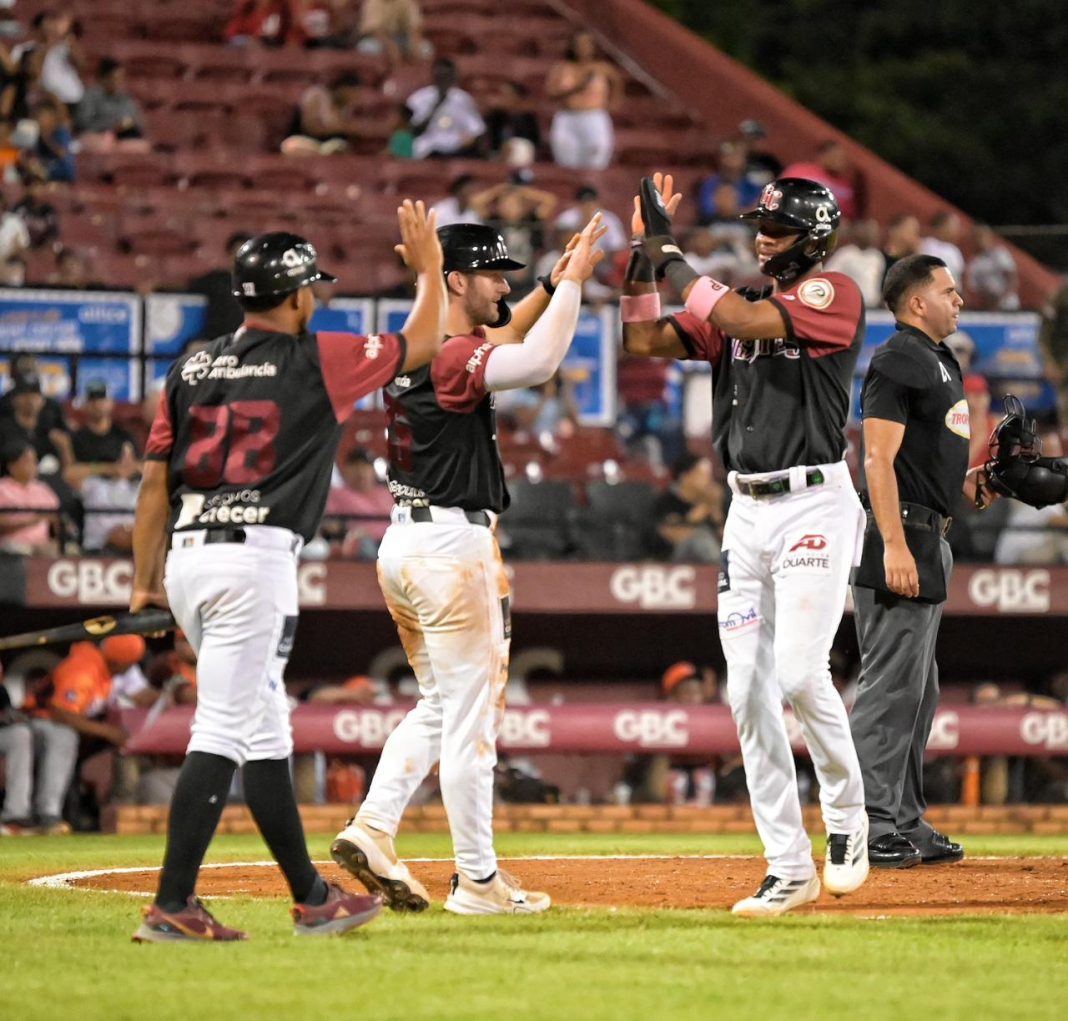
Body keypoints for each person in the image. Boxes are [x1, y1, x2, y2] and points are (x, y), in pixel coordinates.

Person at [127, 204, 447, 942]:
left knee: (266, 729)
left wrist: (144, 585)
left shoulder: (192, 364)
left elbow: (153, 485)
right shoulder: (316, 357)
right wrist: (428, 267)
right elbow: (423, 340)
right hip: (253, 561)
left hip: (187, 554)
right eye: (314, 292)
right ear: (299, 296)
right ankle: (173, 903)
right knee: (224, 728)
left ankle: (311, 894)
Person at [331, 215, 605, 916]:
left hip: (404, 542)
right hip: (451, 548)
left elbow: (503, 340)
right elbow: (536, 361)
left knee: (440, 705)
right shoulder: (453, 354)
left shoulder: (423, 347)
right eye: (490, 273)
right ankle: (479, 880)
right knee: (470, 722)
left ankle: (374, 826)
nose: (501, 284)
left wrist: (549, 283)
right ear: (455, 278)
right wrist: (573, 284)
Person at [624, 173, 871, 916]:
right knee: (744, 692)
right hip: (747, 511)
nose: (764, 236)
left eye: (779, 227)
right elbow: (644, 337)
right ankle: (786, 865)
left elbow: (738, 316)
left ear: (815, 238)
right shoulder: (743, 305)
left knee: (799, 671)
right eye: (760, 224)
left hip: (814, 504)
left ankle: (848, 814)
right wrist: (643, 254)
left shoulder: (834, 294)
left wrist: (670, 252)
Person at [849, 254, 994, 869]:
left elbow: (923, 460)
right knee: (890, 686)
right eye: (949, 291)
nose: (959, 300)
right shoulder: (899, 358)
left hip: (928, 528)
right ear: (916, 303)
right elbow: (877, 460)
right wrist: (894, 544)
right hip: (900, 530)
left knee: (919, 688)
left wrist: (972, 480)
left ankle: (904, 818)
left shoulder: (937, 360)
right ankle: (868, 823)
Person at [23, 635, 148, 835]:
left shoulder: (104, 670)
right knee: (65, 737)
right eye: (130, 663)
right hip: (36, 722)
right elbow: (61, 713)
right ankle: (47, 814)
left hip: (58, 726)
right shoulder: (85, 668)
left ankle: (79, 814)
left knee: (80, 740)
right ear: (120, 661)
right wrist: (107, 731)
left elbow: (141, 695)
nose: (130, 668)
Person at [546, 30, 620, 170]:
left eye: (587, 44)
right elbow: (551, 93)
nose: (583, 48)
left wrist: (612, 104)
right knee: (566, 159)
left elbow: (617, 86)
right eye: (579, 44)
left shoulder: (603, 69)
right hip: (568, 117)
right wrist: (576, 88)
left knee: (596, 158)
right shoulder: (562, 68)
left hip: (594, 117)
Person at [648, 451, 724, 564]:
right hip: (671, 561)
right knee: (700, 536)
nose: (709, 480)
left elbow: (726, 540)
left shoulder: (712, 501)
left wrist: (716, 511)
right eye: (702, 474)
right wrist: (694, 518)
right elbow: (670, 535)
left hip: (708, 560)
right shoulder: (666, 501)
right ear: (685, 476)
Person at [405, 58, 484, 160]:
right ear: (433, 75)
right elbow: (409, 130)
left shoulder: (462, 98)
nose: (444, 78)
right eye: (440, 74)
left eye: (447, 74)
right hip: (426, 150)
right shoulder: (418, 98)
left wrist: (469, 139)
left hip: (456, 150)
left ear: (454, 76)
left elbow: (476, 130)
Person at [323, 447, 394, 558]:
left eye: (365, 466)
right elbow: (329, 525)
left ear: (373, 471)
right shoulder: (335, 495)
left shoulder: (387, 494)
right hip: (360, 544)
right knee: (365, 546)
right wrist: (347, 530)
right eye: (355, 465)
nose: (361, 471)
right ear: (345, 470)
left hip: (389, 542)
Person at [187, 233, 252, 342]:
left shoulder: (262, 286)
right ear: (229, 255)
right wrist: (158, 288)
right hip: (217, 341)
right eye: (237, 254)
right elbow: (186, 290)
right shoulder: (214, 281)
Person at [280, 71, 364, 156]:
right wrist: (345, 128)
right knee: (290, 146)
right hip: (305, 142)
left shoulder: (347, 107)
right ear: (342, 89)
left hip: (335, 146)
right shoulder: (317, 95)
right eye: (352, 92)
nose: (354, 97)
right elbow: (311, 127)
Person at [74, 57, 148, 153]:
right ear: (103, 78)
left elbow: (137, 122)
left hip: (121, 139)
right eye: (114, 78)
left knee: (142, 146)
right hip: (97, 136)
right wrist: (111, 126)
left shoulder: (125, 99)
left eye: (121, 78)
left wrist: (125, 126)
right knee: (103, 145)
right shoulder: (90, 97)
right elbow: (82, 123)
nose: (118, 83)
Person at [0, 436, 59, 554]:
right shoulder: (2, 488)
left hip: (43, 545)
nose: (33, 465)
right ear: (12, 466)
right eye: (27, 461)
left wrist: (57, 540)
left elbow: (56, 519)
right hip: (11, 546)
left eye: (34, 460)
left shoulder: (42, 489)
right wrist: (33, 520)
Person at [826, 219, 886, 308]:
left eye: (872, 232)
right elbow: (828, 275)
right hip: (850, 306)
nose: (870, 235)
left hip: (873, 308)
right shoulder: (846, 254)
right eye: (866, 232)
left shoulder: (876, 257)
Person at [966, 224, 1020, 311]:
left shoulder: (999, 254)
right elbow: (974, 289)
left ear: (989, 237)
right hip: (988, 307)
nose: (979, 240)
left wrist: (1002, 299)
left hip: (1007, 305)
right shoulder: (974, 263)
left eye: (982, 236)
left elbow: (1012, 278)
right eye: (976, 237)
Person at [919, 211, 965, 283]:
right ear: (941, 225)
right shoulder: (926, 243)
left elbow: (959, 278)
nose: (955, 231)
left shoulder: (955, 251)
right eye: (952, 226)